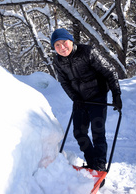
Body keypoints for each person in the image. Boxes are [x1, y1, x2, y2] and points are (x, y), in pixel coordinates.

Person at [51, 28, 122, 172]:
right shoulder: (58, 61)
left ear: (71, 41)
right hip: (80, 100)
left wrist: (116, 94)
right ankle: (92, 161)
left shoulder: (87, 52)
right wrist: (75, 97)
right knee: (79, 133)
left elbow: (110, 71)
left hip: (98, 97)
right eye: (57, 45)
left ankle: (100, 165)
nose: (62, 48)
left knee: (98, 132)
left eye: (64, 43)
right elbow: (64, 82)